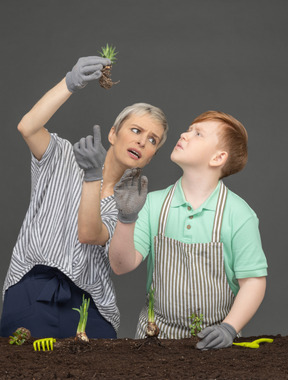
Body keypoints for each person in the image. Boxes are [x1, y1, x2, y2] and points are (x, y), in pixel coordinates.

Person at [0, 56, 168, 339]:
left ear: (151, 156)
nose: (142, 141)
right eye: (136, 130)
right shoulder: (64, 155)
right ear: (113, 134)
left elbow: (89, 233)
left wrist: (93, 178)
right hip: (32, 288)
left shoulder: (132, 201)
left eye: (152, 140)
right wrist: (70, 83)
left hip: (91, 306)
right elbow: (27, 127)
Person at [109, 110, 268, 349]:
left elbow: (253, 282)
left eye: (198, 133)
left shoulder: (239, 214)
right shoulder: (153, 204)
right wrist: (126, 218)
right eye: (188, 129)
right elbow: (121, 266)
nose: (184, 134)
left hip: (214, 341)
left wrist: (229, 328)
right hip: (154, 340)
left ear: (218, 158)